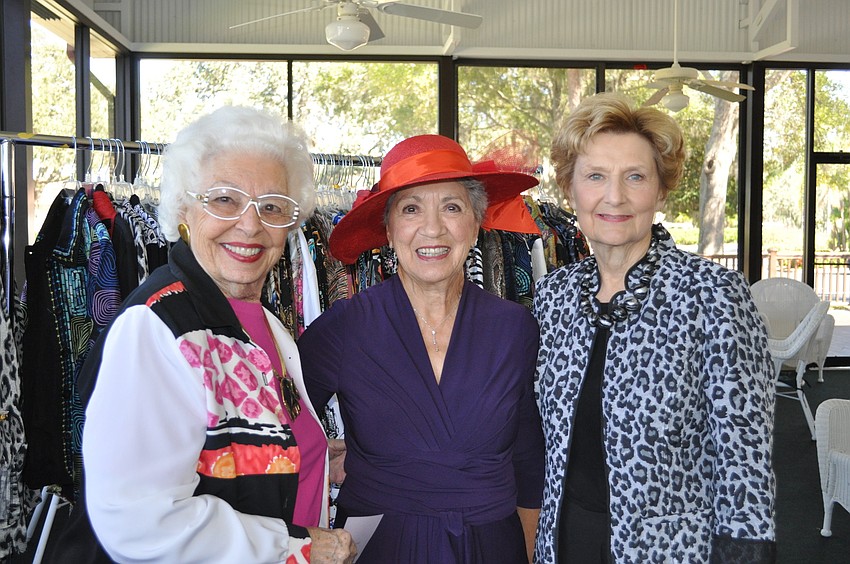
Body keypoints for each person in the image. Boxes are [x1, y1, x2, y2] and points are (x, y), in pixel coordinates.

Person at [52, 106, 356, 563]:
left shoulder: (262, 323)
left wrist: (308, 452)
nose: (251, 225)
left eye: (272, 206)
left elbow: (230, 445)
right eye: (224, 200)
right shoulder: (157, 326)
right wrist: (300, 547)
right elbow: (140, 521)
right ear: (183, 208)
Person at [533, 92, 777, 563]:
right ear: (570, 189)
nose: (614, 197)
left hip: (670, 549)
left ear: (661, 190)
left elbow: (744, 458)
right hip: (566, 539)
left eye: (636, 177)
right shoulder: (553, 297)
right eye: (595, 176)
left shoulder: (714, 295)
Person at [297, 134, 546, 563]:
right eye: (411, 209)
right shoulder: (345, 325)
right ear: (389, 230)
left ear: (475, 224)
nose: (433, 228)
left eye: (452, 207)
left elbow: (529, 457)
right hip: (377, 545)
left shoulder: (516, 328)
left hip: (493, 546)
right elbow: (279, 431)